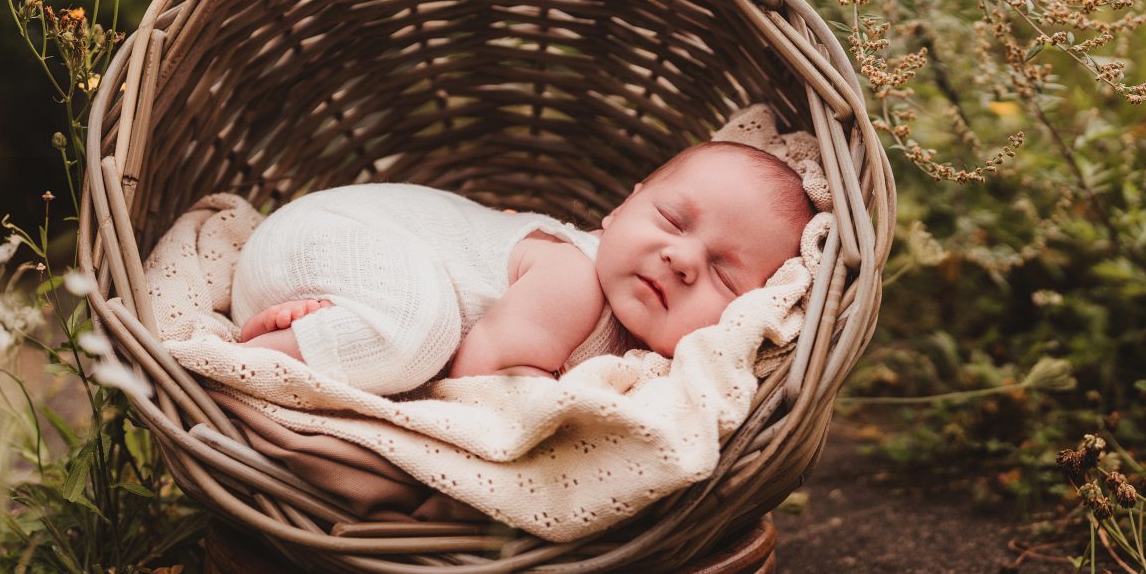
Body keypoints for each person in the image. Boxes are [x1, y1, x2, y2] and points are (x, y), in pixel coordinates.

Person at [230, 140, 814, 395]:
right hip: (328, 233)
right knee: (417, 335)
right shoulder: (574, 277)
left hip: (348, 266)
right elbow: (486, 378)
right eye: (671, 220)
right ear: (617, 211)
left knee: (408, 336)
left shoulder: (652, 358)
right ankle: (240, 364)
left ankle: (322, 325)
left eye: (723, 275)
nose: (682, 259)